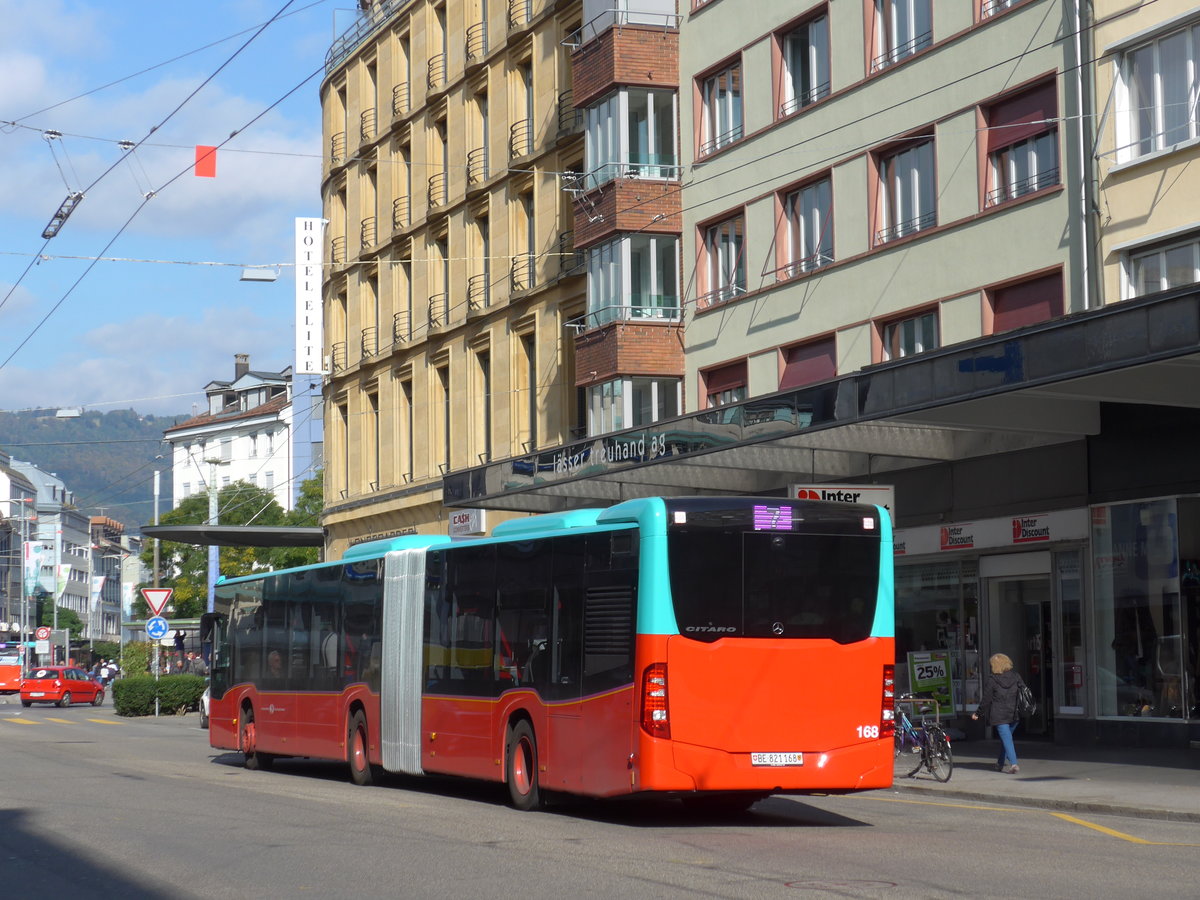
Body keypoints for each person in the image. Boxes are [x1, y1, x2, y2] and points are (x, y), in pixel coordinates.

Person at [972, 652, 1026, 774]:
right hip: (1014, 713)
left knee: (1006, 739)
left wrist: (978, 713)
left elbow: (986, 699)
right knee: (1006, 739)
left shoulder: (993, 680)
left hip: (999, 714)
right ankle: (1000, 763)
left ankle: (1013, 764)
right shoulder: (1016, 676)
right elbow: (1024, 691)